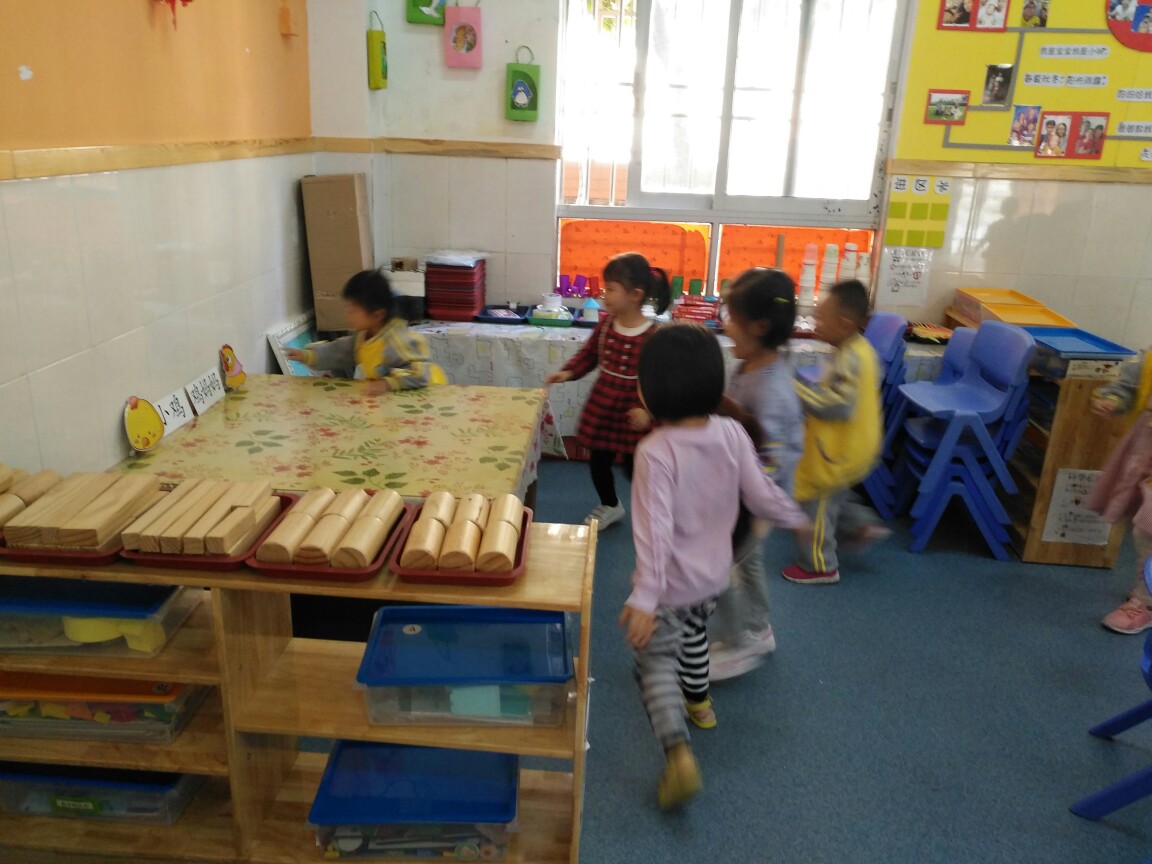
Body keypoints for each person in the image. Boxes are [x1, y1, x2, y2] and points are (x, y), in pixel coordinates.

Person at [619, 324, 810, 809]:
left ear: (656, 391)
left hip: (669, 587)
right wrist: (795, 517)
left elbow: (654, 534)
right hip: (713, 577)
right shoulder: (730, 432)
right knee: (695, 636)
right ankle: (700, 704)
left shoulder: (655, 453)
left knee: (654, 665)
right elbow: (761, 493)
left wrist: (645, 599)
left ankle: (677, 753)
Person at [708, 269, 804, 681]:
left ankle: (743, 640)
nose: (726, 325)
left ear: (760, 326)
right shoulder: (747, 367)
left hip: (755, 501)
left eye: (732, 318)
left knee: (723, 566)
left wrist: (759, 511)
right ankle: (757, 626)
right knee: (745, 564)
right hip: (740, 494)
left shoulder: (771, 390)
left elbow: (772, 460)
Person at [544, 252, 672, 529]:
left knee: (638, 466)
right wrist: (569, 372)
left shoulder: (655, 335)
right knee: (599, 459)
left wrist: (649, 412)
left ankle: (656, 507)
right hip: (604, 405)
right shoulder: (604, 325)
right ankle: (610, 503)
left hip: (636, 412)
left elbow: (662, 381)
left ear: (635, 295)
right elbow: (589, 355)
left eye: (611, 289)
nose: (604, 295)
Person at [783, 279, 885, 585]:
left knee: (815, 499)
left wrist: (797, 389)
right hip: (857, 444)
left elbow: (838, 405)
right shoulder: (854, 348)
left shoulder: (851, 357)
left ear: (844, 323)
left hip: (840, 449)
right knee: (836, 493)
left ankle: (820, 565)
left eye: (821, 317)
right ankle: (862, 525)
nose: (816, 322)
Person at [1086, 350, 1152, 634]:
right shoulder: (1149, 359)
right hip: (1144, 448)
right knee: (1142, 520)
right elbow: (1127, 387)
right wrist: (1111, 399)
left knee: (1147, 529)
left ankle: (1146, 602)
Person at [286, 269, 435, 390]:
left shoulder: (397, 341)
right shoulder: (363, 337)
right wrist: (308, 355)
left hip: (420, 396)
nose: (347, 316)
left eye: (353, 311)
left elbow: (420, 374)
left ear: (377, 315)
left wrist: (387, 384)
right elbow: (339, 351)